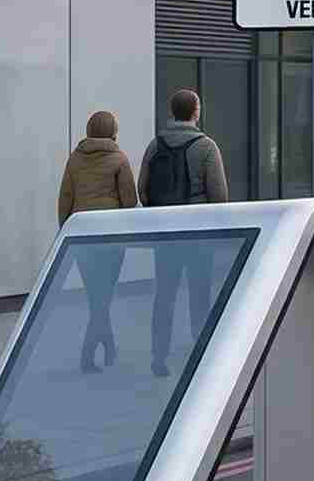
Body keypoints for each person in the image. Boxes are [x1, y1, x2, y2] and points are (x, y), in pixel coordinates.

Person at [138, 89, 229, 377]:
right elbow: (220, 195)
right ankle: (199, 355)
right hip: (198, 232)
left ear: (172, 111)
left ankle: (159, 358)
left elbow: (142, 188)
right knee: (199, 294)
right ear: (195, 111)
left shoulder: (155, 145)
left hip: (166, 231)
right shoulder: (206, 146)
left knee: (164, 295)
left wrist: (160, 212)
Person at [57, 110, 137, 371]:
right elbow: (130, 200)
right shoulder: (119, 159)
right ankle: (88, 355)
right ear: (113, 131)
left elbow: (65, 198)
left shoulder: (75, 160)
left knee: (96, 296)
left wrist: (66, 231)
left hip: (82, 238)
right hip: (112, 238)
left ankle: (108, 348)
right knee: (103, 297)